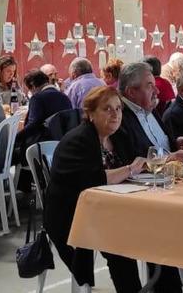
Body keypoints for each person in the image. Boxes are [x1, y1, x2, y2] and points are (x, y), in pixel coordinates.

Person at [44, 86, 149, 292]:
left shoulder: (118, 136)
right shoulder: (78, 140)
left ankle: (163, 286)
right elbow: (95, 179)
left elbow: (140, 159)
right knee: (118, 245)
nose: (115, 114)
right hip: (74, 214)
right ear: (90, 114)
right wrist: (130, 169)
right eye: (107, 109)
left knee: (157, 232)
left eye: (118, 109)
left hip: (112, 207)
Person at [111, 62, 183, 164]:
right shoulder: (118, 117)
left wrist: (176, 143)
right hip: (148, 179)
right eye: (150, 86)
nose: (157, 91)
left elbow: (159, 146)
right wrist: (168, 158)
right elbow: (132, 160)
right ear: (131, 92)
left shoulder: (148, 108)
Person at [20, 69, 71, 153]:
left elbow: (32, 125)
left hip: (43, 146)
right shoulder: (64, 97)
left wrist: (16, 138)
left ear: (32, 86)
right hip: (63, 143)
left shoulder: (37, 98)